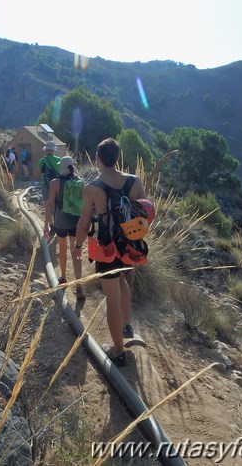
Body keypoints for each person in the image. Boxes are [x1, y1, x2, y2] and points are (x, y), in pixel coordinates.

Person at [74, 137, 147, 365]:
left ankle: (118, 350)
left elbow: (85, 223)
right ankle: (126, 326)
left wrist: (77, 246)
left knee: (111, 298)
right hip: (129, 245)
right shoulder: (135, 182)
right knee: (122, 280)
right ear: (117, 158)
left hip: (106, 248)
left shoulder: (92, 189)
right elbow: (144, 213)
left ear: (97, 159)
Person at [44, 156, 84, 299]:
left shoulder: (55, 183)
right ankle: (79, 285)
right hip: (76, 222)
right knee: (77, 251)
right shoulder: (80, 182)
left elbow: (49, 205)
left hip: (61, 222)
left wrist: (46, 225)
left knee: (63, 249)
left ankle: (63, 277)